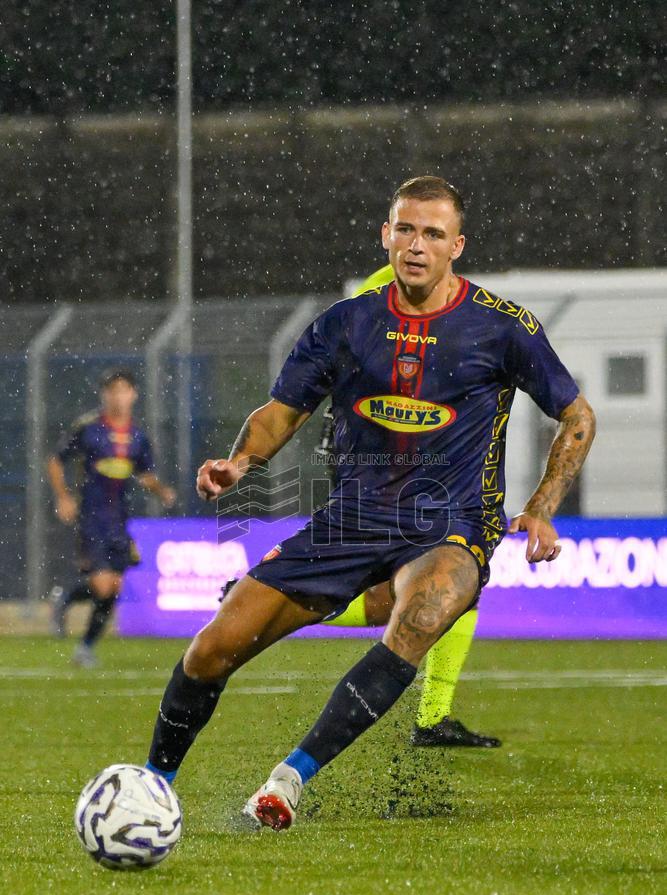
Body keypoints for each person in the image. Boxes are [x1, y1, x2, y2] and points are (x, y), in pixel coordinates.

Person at [145, 175, 595, 830]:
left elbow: (575, 417)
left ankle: (287, 780)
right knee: (212, 649)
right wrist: (240, 462)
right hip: (349, 521)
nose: (416, 245)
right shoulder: (347, 323)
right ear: (385, 236)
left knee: (422, 614)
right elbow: (281, 412)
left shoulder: (500, 328)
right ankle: (152, 787)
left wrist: (544, 501)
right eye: (404, 229)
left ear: (456, 246)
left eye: (432, 233)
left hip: (452, 524)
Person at [316, 260, 496, 748]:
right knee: (431, 582)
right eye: (414, 231)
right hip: (384, 458)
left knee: (457, 583)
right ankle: (292, 599)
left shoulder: (447, 296)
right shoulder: (387, 289)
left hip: (411, 459)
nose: (422, 246)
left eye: (436, 233)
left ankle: (434, 717)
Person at [47, 368, 175, 667]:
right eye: (112, 390)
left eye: (123, 390)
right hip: (92, 517)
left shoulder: (138, 437)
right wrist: (64, 496)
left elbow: (145, 474)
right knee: (104, 586)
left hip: (120, 519)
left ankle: (85, 647)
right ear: (104, 394)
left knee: (114, 588)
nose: (117, 396)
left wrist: (161, 491)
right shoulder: (89, 428)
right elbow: (55, 459)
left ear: (133, 395)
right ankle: (66, 597)